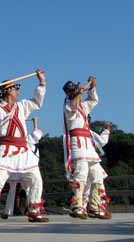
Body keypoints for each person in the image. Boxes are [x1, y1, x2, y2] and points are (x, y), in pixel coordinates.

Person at [0, 69, 46, 224]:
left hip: (23, 151)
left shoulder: (22, 106)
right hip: (6, 150)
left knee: (36, 178)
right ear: (8, 92)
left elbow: (37, 102)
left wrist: (41, 82)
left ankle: (34, 211)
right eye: (15, 88)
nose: (18, 91)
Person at [62, 76, 100, 219]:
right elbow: (72, 107)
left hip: (88, 144)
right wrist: (79, 92)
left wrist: (92, 88)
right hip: (77, 143)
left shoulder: (83, 106)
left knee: (97, 175)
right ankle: (77, 205)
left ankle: (95, 205)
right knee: (81, 174)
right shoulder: (68, 105)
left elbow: (93, 101)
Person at [0, 118, 48, 222]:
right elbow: (35, 132)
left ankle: (7, 212)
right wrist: (35, 123)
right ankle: (33, 210)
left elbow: (35, 133)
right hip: (27, 169)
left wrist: (35, 123)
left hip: (18, 169)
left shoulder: (28, 141)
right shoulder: (31, 143)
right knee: (32, 188)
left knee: (16, 190)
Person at [82, 119, 112, 219]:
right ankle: (95, 207)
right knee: (96, 181)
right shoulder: (88, 132)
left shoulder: (73, 132)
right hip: (90, 158)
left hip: (83, 159)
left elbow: (101, 141)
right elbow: (102, 141)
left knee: (88, 183)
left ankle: (84, 208)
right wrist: (106, 130)